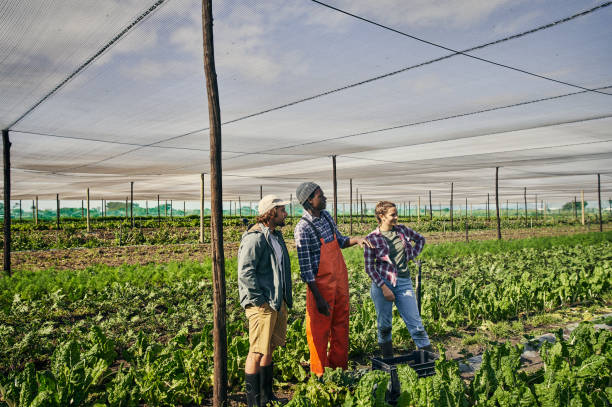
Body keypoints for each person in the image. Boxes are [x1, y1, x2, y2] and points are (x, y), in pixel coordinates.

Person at [294, 182, 372, 376]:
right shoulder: (303, 228)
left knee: (341, 325)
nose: (325, 198)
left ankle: (339, 371)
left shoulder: (326, 217)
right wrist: (318, 298)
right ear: (309, 201)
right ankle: (320, 375)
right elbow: (306, 270)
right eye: (321, 196)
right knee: (319, 332)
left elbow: (339, 240)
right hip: (320, 288)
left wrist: (357, 240)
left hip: (339, 282)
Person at [238, 195, 292, 406]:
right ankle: (254, 402)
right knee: (256, 351)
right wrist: (260, 301)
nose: (285, 214)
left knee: (268, 348)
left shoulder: (275, 236)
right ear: (271, 212)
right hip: (262, 304)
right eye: (282, 210)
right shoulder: (255, 238)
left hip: (276, 301)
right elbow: (246, 272)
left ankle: (267, 397)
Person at [363, 201, 433, 359]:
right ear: (382, 216)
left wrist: (411, 255)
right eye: (392, 214)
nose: (396, 217)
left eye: (396, 214)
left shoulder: (402, 230)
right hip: (383, 284)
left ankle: (431, 362)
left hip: (404, 283)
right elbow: (369, 268)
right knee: (384, 326)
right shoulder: (372, 238)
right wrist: (384, 288)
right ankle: (388, 362)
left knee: (416, 325)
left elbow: (420, 239)